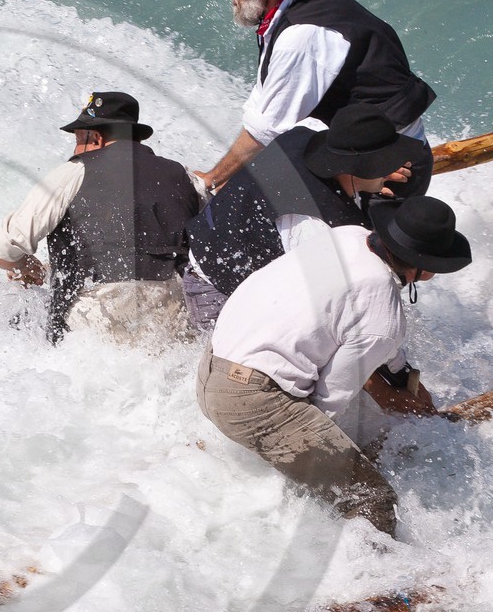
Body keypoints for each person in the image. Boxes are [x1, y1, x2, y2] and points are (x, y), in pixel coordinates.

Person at [196, 196, 472, 535]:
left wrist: (404, 379)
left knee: (363, 428)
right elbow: (327, 404)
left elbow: (375, 341)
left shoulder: (347, 235)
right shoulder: (383, 312)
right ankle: (382, 579)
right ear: (425, 268)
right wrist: (340, 464)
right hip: (249, 401)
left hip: (213, 365)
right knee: (374, 499)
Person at [201, 0, 436, 197]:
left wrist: (211, 181)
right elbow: (265, 105)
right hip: (366, 158)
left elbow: (266, 130)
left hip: (388, 171)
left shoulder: (301, 36)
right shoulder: (296, 6)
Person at [0, 91, 206, 343]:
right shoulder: (186, 177)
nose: (75, 149)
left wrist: (27, 268)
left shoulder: (75, 172)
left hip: (97, 323)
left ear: (96, 138)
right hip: (172, 319)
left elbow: (3, 249)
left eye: (78, 139)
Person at [184, 103, 425, 328]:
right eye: (385, 163)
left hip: (206, 242)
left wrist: (372, 172)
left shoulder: (307, 131)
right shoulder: (317, 227)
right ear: (358, 168)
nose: (391, 167)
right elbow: (322, 308)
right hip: (217, 296)